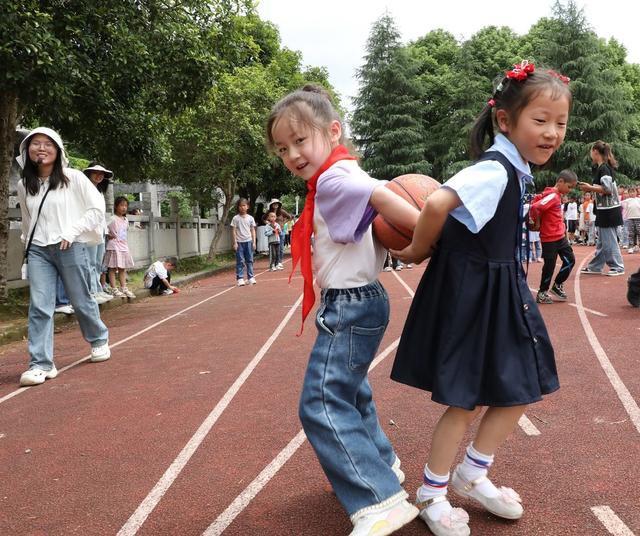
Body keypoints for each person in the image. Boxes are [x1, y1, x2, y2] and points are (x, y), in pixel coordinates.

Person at [390, 61, 570, 536]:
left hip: (500, 291)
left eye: (561, 123)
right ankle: (431, 492)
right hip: (475, 296)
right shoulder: (494, 170)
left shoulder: (515, 169)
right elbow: (434, 203)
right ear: (505, 121)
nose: (552, 132)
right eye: (540, 120)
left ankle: (473, 472)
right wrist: (415, 250)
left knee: (523, 384)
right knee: (466, 400)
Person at [267, 85, 422, 535]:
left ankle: (379, 501)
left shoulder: (336, 178)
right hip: (360, 299)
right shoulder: (338, 172)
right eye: (282, 148)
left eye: (300, 140)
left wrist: (426, 225)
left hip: (351, 304)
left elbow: (377, 195)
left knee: (320, 402)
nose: (292, 154)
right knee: (352, 393)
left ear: (332, 131)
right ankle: (383, 465)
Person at [16, 127, 111, 386]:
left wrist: (72, 230)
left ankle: (99, 339)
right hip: (38, 250)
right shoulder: (24, 184)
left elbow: (96, 209)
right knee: (40, 305)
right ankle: (40, 364)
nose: (41, 148)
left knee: (80, 300)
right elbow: (28, 220)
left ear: (58, 151)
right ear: (27, 151)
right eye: (35, 143)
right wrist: (26, 251)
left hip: (70, 246)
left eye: (48, 144)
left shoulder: (74, 178)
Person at [529, 170, 578, 304]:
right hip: (549, 238)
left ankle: (557, 285)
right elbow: (535, 207)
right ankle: (542, 292)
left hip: (560, 237)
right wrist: (536, 222)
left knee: (570, 260)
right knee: (549, 266)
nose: (570, 190)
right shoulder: (553, 196)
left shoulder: (555, 195)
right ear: (561, 182)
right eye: (569, 187)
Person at [579, 141, 625, 276]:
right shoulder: (603, 168)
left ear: (595, 151)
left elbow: (607, 189)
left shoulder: (604, 168)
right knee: (602, 241)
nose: (590, 154)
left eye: (591, 151)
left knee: (609, 240)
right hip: (604, 210)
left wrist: (589, 187)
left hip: (609, 210)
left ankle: (618, 266)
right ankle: (595, 266)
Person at [83, 162, 115, 304]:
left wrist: (106, 230)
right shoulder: (83, 190)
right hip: (89, 231)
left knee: (97, 262)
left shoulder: (100, 192)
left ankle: (97, 289)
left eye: (101, 174)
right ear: (89, 173)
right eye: (95, 173)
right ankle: (91, 292)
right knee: (89, 262)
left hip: (100, 231)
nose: (98, 176)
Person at [104, 196, 136, 298]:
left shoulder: (126, 220)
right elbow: (103, 228)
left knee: (122, 268)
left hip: (123, 245)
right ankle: (114, 289)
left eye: (126, 206)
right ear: (116, 206)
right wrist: (108, 235)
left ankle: (123, 288)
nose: (124, 208)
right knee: (113, 268)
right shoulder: (112, 218)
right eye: (121, 205)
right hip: (114, 246)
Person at [231, 198, 257, 286]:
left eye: (244, 205)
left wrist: (254, 242)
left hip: (249, 241)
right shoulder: (235, 218)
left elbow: (253, 230)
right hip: (239, 242)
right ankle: (240, 278)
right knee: (240, 261)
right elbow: (234, 230)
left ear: (247, 207)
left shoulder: (250, 218)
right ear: (238, 207)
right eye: (240, 206)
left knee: (250, 260)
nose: (242, 207)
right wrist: (235, 242)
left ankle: (250, 277)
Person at [268, 198, 291, 269]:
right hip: (272, 232)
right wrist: (267, 223)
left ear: (278, 205)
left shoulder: (281, 211)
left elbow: (289, 217)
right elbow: (263, 218)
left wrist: (283, 223)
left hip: (281, 231)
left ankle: (279, 262)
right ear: (271, 205)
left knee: (280, 247)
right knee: (272, 248)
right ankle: (273, 262)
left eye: (277, 203)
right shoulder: (269, 212)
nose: (275, 205)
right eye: (274, 203)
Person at [621, 186, 640, 253]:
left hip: (638, 218)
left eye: (633, 192)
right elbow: (618, 203)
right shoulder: (626, 201)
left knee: (639, 232)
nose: (632, 193)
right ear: (628, 193)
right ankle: (631, 246)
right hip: (630, 219)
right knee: (631, 233)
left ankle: (638, 245)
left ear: (636, 192)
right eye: (630, 192)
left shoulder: (638, 200)